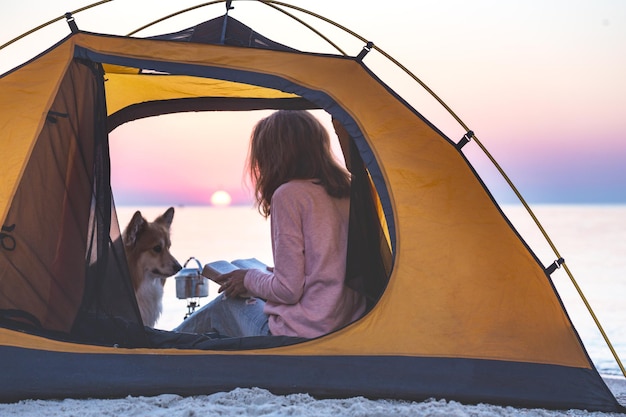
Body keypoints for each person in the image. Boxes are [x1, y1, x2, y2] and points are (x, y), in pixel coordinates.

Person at [174, 110, 366, 338]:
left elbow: (288, 290)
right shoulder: (346, 191)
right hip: (347, 325)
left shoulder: (290, 195)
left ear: (274, 156)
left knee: (225, 305)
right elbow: (328, 266)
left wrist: (247, 278)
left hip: (304, 333)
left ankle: (153, 352)